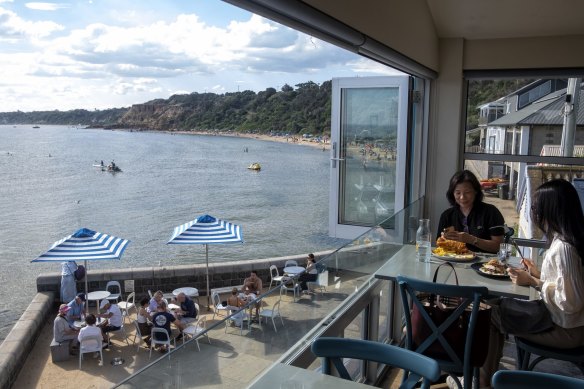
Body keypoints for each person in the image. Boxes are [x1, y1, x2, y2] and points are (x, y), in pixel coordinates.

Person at [479, 179, 584, 387]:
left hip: (566, 331)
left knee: (488, 315)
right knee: (494, 308)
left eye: (536, 207)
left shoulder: (564, 248)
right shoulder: (569, 240)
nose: (533, 212)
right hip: (563, 323)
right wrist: (538, 275)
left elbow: (572, 302)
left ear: (550, 209)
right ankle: (487, 378)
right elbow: (568, 287)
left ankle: (481, 383)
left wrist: (534, 281)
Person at [437, 170, 505, 253]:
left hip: (485, 263)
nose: (462, 197)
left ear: (476, 191)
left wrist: (471, 239)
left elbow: (499, 247)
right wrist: (444, 240)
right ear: (452, 193)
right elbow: (438, 245)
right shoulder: (447, 215)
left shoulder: (491, 212)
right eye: (458, 193)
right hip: (453, 261)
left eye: (467, 192)